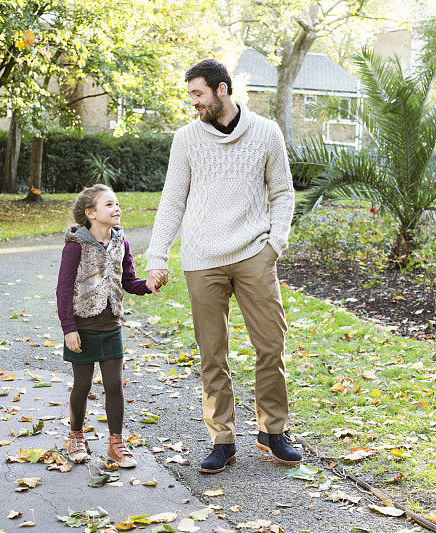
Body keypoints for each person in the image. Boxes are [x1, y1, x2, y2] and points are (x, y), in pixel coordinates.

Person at [145, 58, 302, 474]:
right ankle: (223, 439)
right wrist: (157, 256)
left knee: (270, 345)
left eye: (198, 93)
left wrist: (274, 245)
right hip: (202, 260)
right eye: (191, 94)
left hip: (254, 254)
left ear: (222, 89)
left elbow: (283, 193)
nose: (193, 102)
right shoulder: (186, 139)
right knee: (212, 353)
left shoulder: (267, 132)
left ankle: (272, 432)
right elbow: (172, 199)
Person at [56, 184, 161, 466]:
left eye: (117, 204)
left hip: (111, 324)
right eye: (109, 205)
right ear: (90, 213)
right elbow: (64, 289)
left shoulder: (120, 242)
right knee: (82, 384)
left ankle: (116, 444)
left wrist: (149, 285)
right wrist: (69, 328)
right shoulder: (75, 245)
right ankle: (76, 436)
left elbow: (129, 280)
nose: (117, 209)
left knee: (114, 385)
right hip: (83, 326)